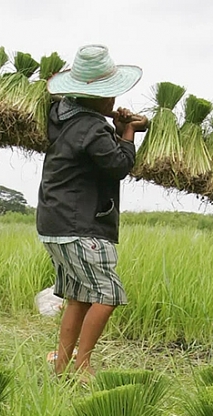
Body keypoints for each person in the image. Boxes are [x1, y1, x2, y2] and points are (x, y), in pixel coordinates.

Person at [37, 44, 148, 378]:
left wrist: (118, 129)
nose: (114, 100)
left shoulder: (63, 117)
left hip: (54, 223)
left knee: (79, 297)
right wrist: (127, 134)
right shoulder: (92, 127)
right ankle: (82, 364)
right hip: (80, 226)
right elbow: (116, 165)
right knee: (108, 295)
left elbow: (95, 154)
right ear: (97, 97)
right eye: (110, 94)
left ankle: (61, 364)